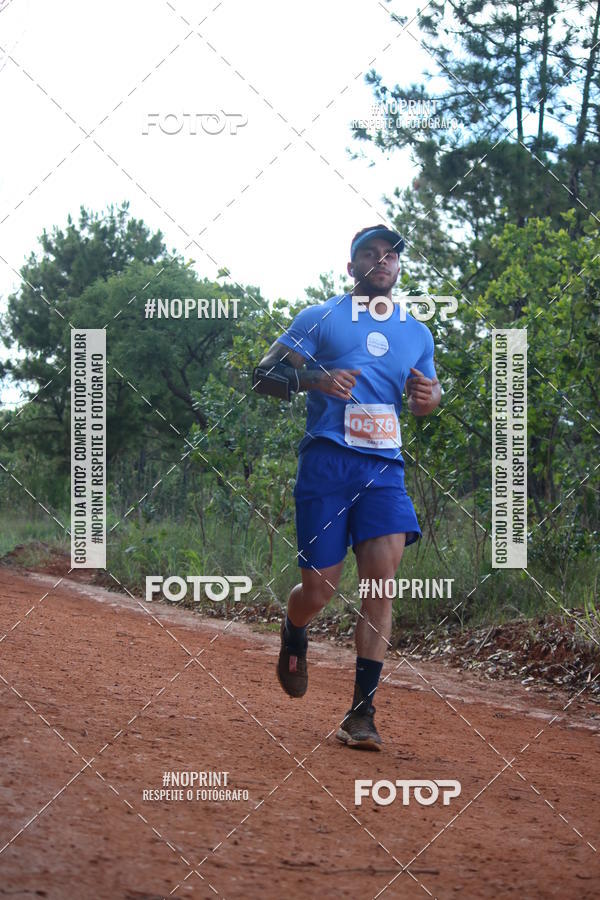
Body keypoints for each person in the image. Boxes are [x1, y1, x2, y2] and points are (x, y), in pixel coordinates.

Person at [252, 225, 441, 750]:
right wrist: (315, 379)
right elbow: (263, 375)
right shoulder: (320, 318)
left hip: (384, 469)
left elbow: (428, 394)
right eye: (370, 254)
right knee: (320, 590)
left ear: (398, 267)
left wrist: (430, 398)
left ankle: (361, 713)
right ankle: (294, 628)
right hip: (328, 464)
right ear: (352, 265)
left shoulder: (416, 333)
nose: (382, 261)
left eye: (391, 255)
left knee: (381, 585)